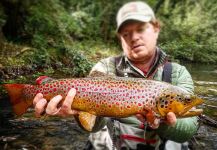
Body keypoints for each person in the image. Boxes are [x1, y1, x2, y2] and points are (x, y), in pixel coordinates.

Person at [33, 1, 199, 150]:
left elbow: (189, 130)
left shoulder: (178, 73)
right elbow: (95, 126)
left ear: (156, 29)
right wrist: (77, 112)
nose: (134, 37)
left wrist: (162, 123)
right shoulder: (104, 68)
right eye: (126, 33)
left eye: (141, 29)